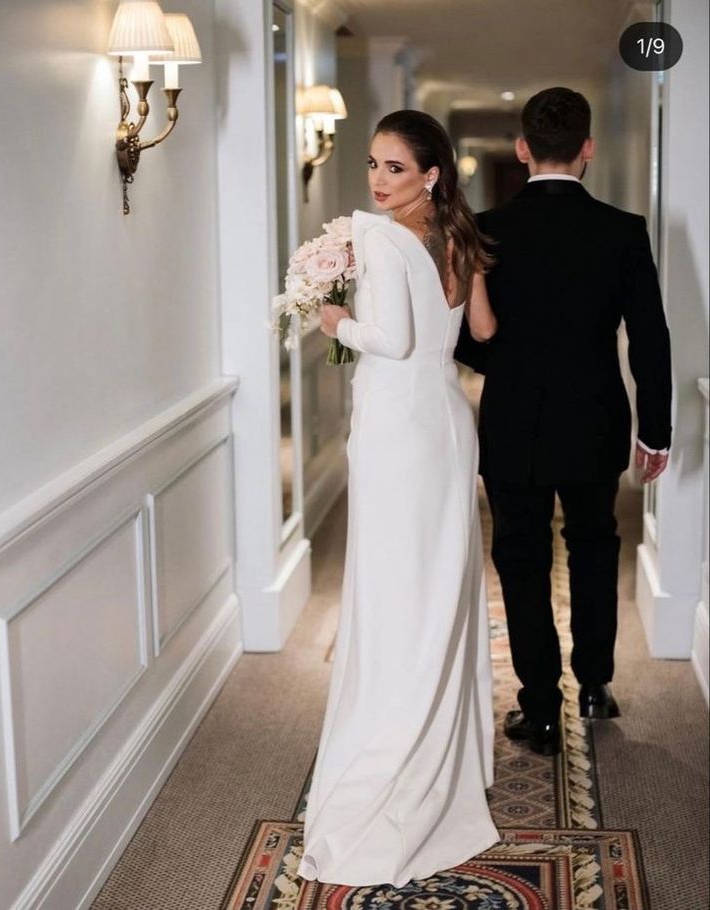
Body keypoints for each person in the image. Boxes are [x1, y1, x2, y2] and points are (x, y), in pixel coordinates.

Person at [298, 110, 500, 887]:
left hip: (396, 430)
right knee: (437, 578)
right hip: (447, 422)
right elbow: (480, 326)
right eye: (374, 165)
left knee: (391, 583)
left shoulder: (378, 239)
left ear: (430, 174)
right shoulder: (459, 236)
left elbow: (393, 340)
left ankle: (394, 736)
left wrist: (335, 317)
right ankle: (438, 739)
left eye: (394, 168)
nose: (378, 181)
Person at [455, 87, 672, 757]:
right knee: (592, 545)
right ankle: (595, 686)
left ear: (522, 149)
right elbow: (649, 336)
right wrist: (653, 428)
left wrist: (514, 363)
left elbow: (465, 340)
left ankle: (540, 707)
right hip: (594, 418)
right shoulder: (621, 229)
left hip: (513, 421)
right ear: (586, 149)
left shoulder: (483, 228)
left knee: (519, 557)